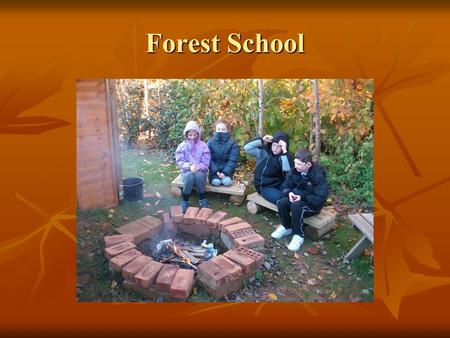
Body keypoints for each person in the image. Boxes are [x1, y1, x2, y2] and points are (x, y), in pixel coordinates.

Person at [271, 148, 329, 251]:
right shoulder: (295, 171)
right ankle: (287, 227)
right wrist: (289, 193)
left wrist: (301, 197)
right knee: (282, 202)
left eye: (299, 164)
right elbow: (285, 185)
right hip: (297, 199)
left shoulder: (318, 175)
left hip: (312, 206)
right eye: (295, 163)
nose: (296, 166)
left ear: (308, 165)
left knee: (296, 205)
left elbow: (320, 197)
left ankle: (298, 236)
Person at [243, 131, 292, 205]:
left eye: (279, 146)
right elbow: (247, 147)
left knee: (292, 192)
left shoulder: (284, 156)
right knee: (280, 197)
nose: (276, 148)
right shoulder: (263, 152)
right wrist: (262, 139)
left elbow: (288, 171)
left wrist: (285, 151)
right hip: (265, 186)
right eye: (274, 145)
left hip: (279, 183)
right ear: (271, 143)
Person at [175, 121, 211, 213]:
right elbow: (180, 161)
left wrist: (199, 167)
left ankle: (202, 198)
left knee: (198, 176)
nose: (192, 137)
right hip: (186, 170)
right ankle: (185, 200)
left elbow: (206, 161)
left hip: (200, 170)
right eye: (190, 135)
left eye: (194, 135)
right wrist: (189, 166)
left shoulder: (203, 146)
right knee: (190, 176)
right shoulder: (182, 146)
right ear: (186, 134)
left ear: (198, 134)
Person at [207, 119, 239, 187]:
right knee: (216, 182)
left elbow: (233, 160)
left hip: (227, 171)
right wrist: (215, 171)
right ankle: (214, 177)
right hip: (214, 171)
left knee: (226, 182)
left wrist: (225, 173)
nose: (220, 131)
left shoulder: (232, 143)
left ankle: (227, 177)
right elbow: (208, 159)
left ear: (227, 130)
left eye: (223, 129)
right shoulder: (210, 142)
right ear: (215, 130)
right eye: (218, 129)